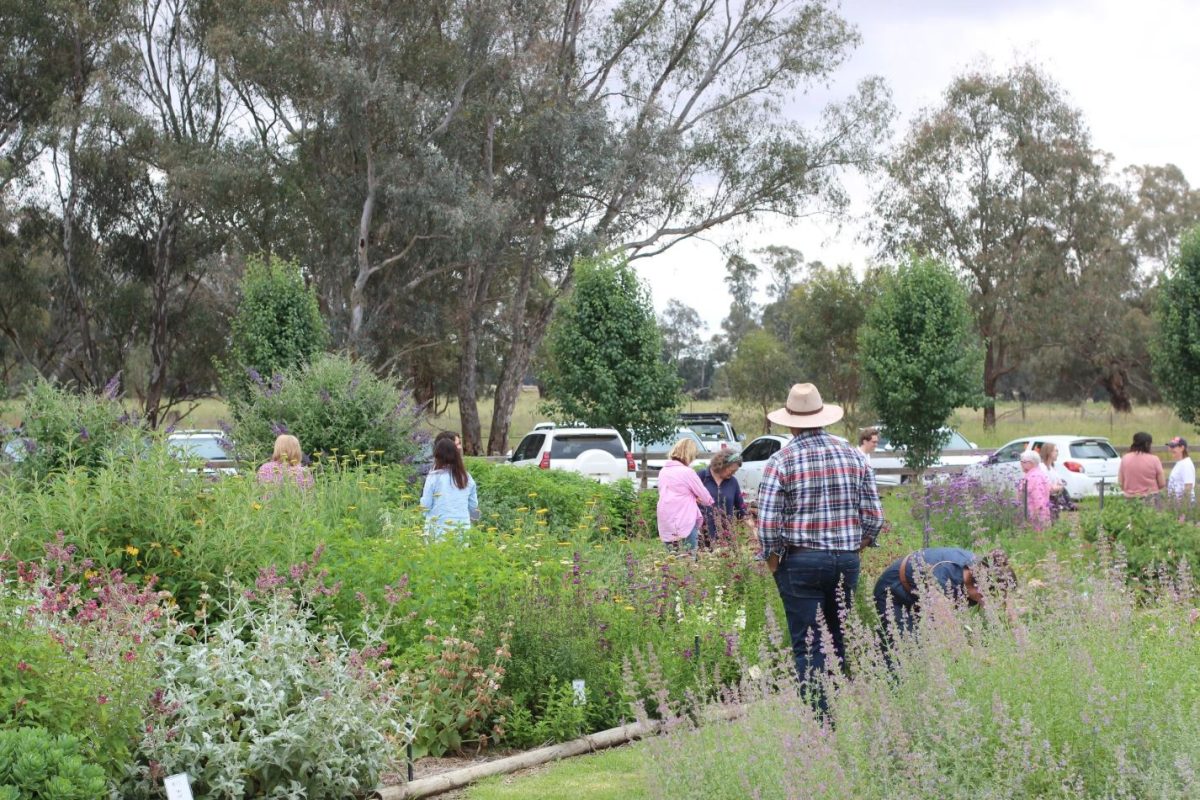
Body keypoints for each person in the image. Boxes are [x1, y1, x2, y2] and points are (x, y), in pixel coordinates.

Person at [756, 383, 883, 708]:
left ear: (791, 422)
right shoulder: (855, 456)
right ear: (822, 417)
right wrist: (855, 546)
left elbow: (768, 524)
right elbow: (873, 516)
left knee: (808, 645)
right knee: (836, 639)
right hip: (845, 559)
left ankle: (820, 723)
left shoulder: (781, 461)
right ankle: (836, 710)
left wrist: (774, 561)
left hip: (801, 561)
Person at [873, 547, 1015, 635]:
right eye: (991, 599)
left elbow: (1006, 609)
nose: (991, 604)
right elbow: (949, 628)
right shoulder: (944, 574)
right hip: (894, 592)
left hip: (922, 596)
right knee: (904, 647)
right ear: (979, 589)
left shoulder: (987, 573)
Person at [656, 437, 715, 551]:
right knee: (689, 560)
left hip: (666, 519)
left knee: (672, 559)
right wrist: (707, 501)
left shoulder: (663, 471)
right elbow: (706, 498)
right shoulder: (687, 472)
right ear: (689, 454)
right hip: (684, 520)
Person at [420, 437, 479, 538]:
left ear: (437, 457)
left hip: (437, 530)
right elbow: (474, 507)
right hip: (462, 530)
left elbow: (425, 506)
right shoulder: (466, 477)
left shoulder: (434, 477)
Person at [698, 450, 748, 546]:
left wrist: (753, 528)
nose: (733, 473)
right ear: (721, 465)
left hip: (726, 536)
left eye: (735, 471)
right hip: (702, 536)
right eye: (731, 470)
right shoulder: (702, 477)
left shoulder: (733, 482)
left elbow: (741, 508)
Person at [1117, 431, 1165, 498]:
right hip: (1151, 497)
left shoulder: (1125, 458)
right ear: (1147, 444)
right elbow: (1162, 483)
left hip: (1130, 498)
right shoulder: (1154, 459)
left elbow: (1120, 483)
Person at [1038, 442, 1075, 516]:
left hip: (1054, 500)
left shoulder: (1052, 468)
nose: (1057, 453)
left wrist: (1057, 487)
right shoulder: (1042, 467)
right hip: (1046, 501)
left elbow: (1059, 485)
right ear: (1049, 452)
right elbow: (1050, 488)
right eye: (1056, 451)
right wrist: (1058, 487)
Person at [1018, 450, 1051, 529]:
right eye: (1021, 461)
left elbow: (1038, 499)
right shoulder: (1034, 474)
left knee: (1036, 539)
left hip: (1035, 518)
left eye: (1024, 462)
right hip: (1032, 516)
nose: (1021, 464)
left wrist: (1037, 516)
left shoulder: (1035, 477)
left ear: (1032, 463)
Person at [1166, 436, 1195, 503]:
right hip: (1176, 504)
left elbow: (1188, 487)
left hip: (1183, 505)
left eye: (1173, 446)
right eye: (1170, 446)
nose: (1170, 449)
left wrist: (1183, 508)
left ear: (1182, 448)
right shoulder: (1180, 463)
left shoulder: (1186, 465)